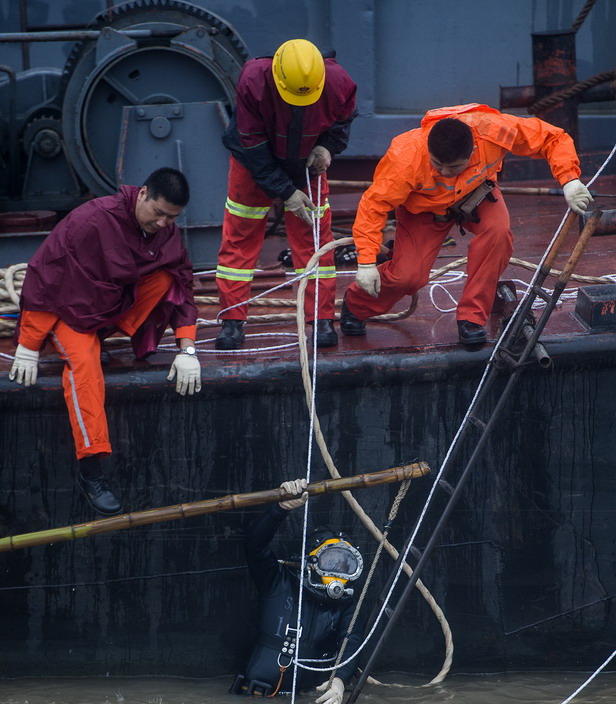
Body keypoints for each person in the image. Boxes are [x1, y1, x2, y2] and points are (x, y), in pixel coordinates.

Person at [8, 168, 201, 517]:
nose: (162, 223)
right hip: (66, 312)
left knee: (166, 276)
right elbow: (44, 276)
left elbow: (182, 283)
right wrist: (28, 344)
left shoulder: (165, 234)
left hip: (105, 309)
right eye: (158, 213)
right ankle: (92, 469)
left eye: (171, 218)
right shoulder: (91, 220)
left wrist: (187, 347)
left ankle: (100, 339)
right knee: (85, 367)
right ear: (142, 194)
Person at [340, 102, 593, 346]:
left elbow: (552, 137)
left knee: (498, 234)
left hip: (477, 195)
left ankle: (472, 318)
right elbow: (373, 206)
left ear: (473, 151)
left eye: (454, 167)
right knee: (408, 277)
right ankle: (356, 306)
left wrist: (570, 180)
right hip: (423, 212)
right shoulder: (405, 158)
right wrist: (365, 262)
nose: (445, 172)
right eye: (437, 165)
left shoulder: (494, 131)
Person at [215, 38, 357, 351]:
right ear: (278, 80)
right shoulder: (253, 80)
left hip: (307, 162)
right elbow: (251, 144)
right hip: (253, 162)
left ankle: (320, 319)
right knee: (241, 236)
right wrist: (286, 192)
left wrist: (328, 147)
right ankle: (232, 321)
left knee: (315, 238)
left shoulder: (340, 82)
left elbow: (344, 118)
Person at [230, 479, 365, 704]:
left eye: (346, 565)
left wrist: (340, 683)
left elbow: (350, 641)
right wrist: (280, 508)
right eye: (330, 561)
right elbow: (254, 545)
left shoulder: (346, 604)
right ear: (311, 562)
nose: (338, 572)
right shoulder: (278, 582)